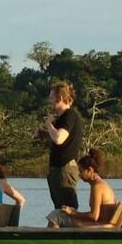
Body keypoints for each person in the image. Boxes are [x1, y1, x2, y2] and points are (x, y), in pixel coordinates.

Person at [38, 81, 85, 210]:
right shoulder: (61, 118)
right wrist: (46, 134)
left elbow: (59, 139)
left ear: (60, 98)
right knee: (60, 208)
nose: (50, 101)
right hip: (58, 170)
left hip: (64, 170)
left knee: (67, 209)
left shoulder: (69, 115)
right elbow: (60, 139)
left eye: (51, 97)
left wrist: (48, 124)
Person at [47, 149, 117, 228]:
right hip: (101, 223)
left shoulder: (97, 187)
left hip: (99, 226)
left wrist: (72, 213)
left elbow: (94, 216)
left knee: (56, 215)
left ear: (90, 170)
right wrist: (74, 212)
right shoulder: (102, 184)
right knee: (59, 213)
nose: (79, 175)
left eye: (81, 171)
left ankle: (49, 239)